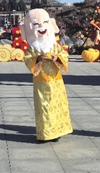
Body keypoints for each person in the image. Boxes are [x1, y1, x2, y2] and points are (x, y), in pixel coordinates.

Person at [20, 8, 73, 143]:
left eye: (44, 23)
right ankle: (45, 133)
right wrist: (37, 59)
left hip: (56, 81)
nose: (41, 28)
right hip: (41, 82)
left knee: (57, 106)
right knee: (44, 107)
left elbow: (64, 55)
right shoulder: (33, 48)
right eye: (36, 24)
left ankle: (57, 132)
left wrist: (57, 58)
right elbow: (27, 59)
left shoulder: (54, 45)